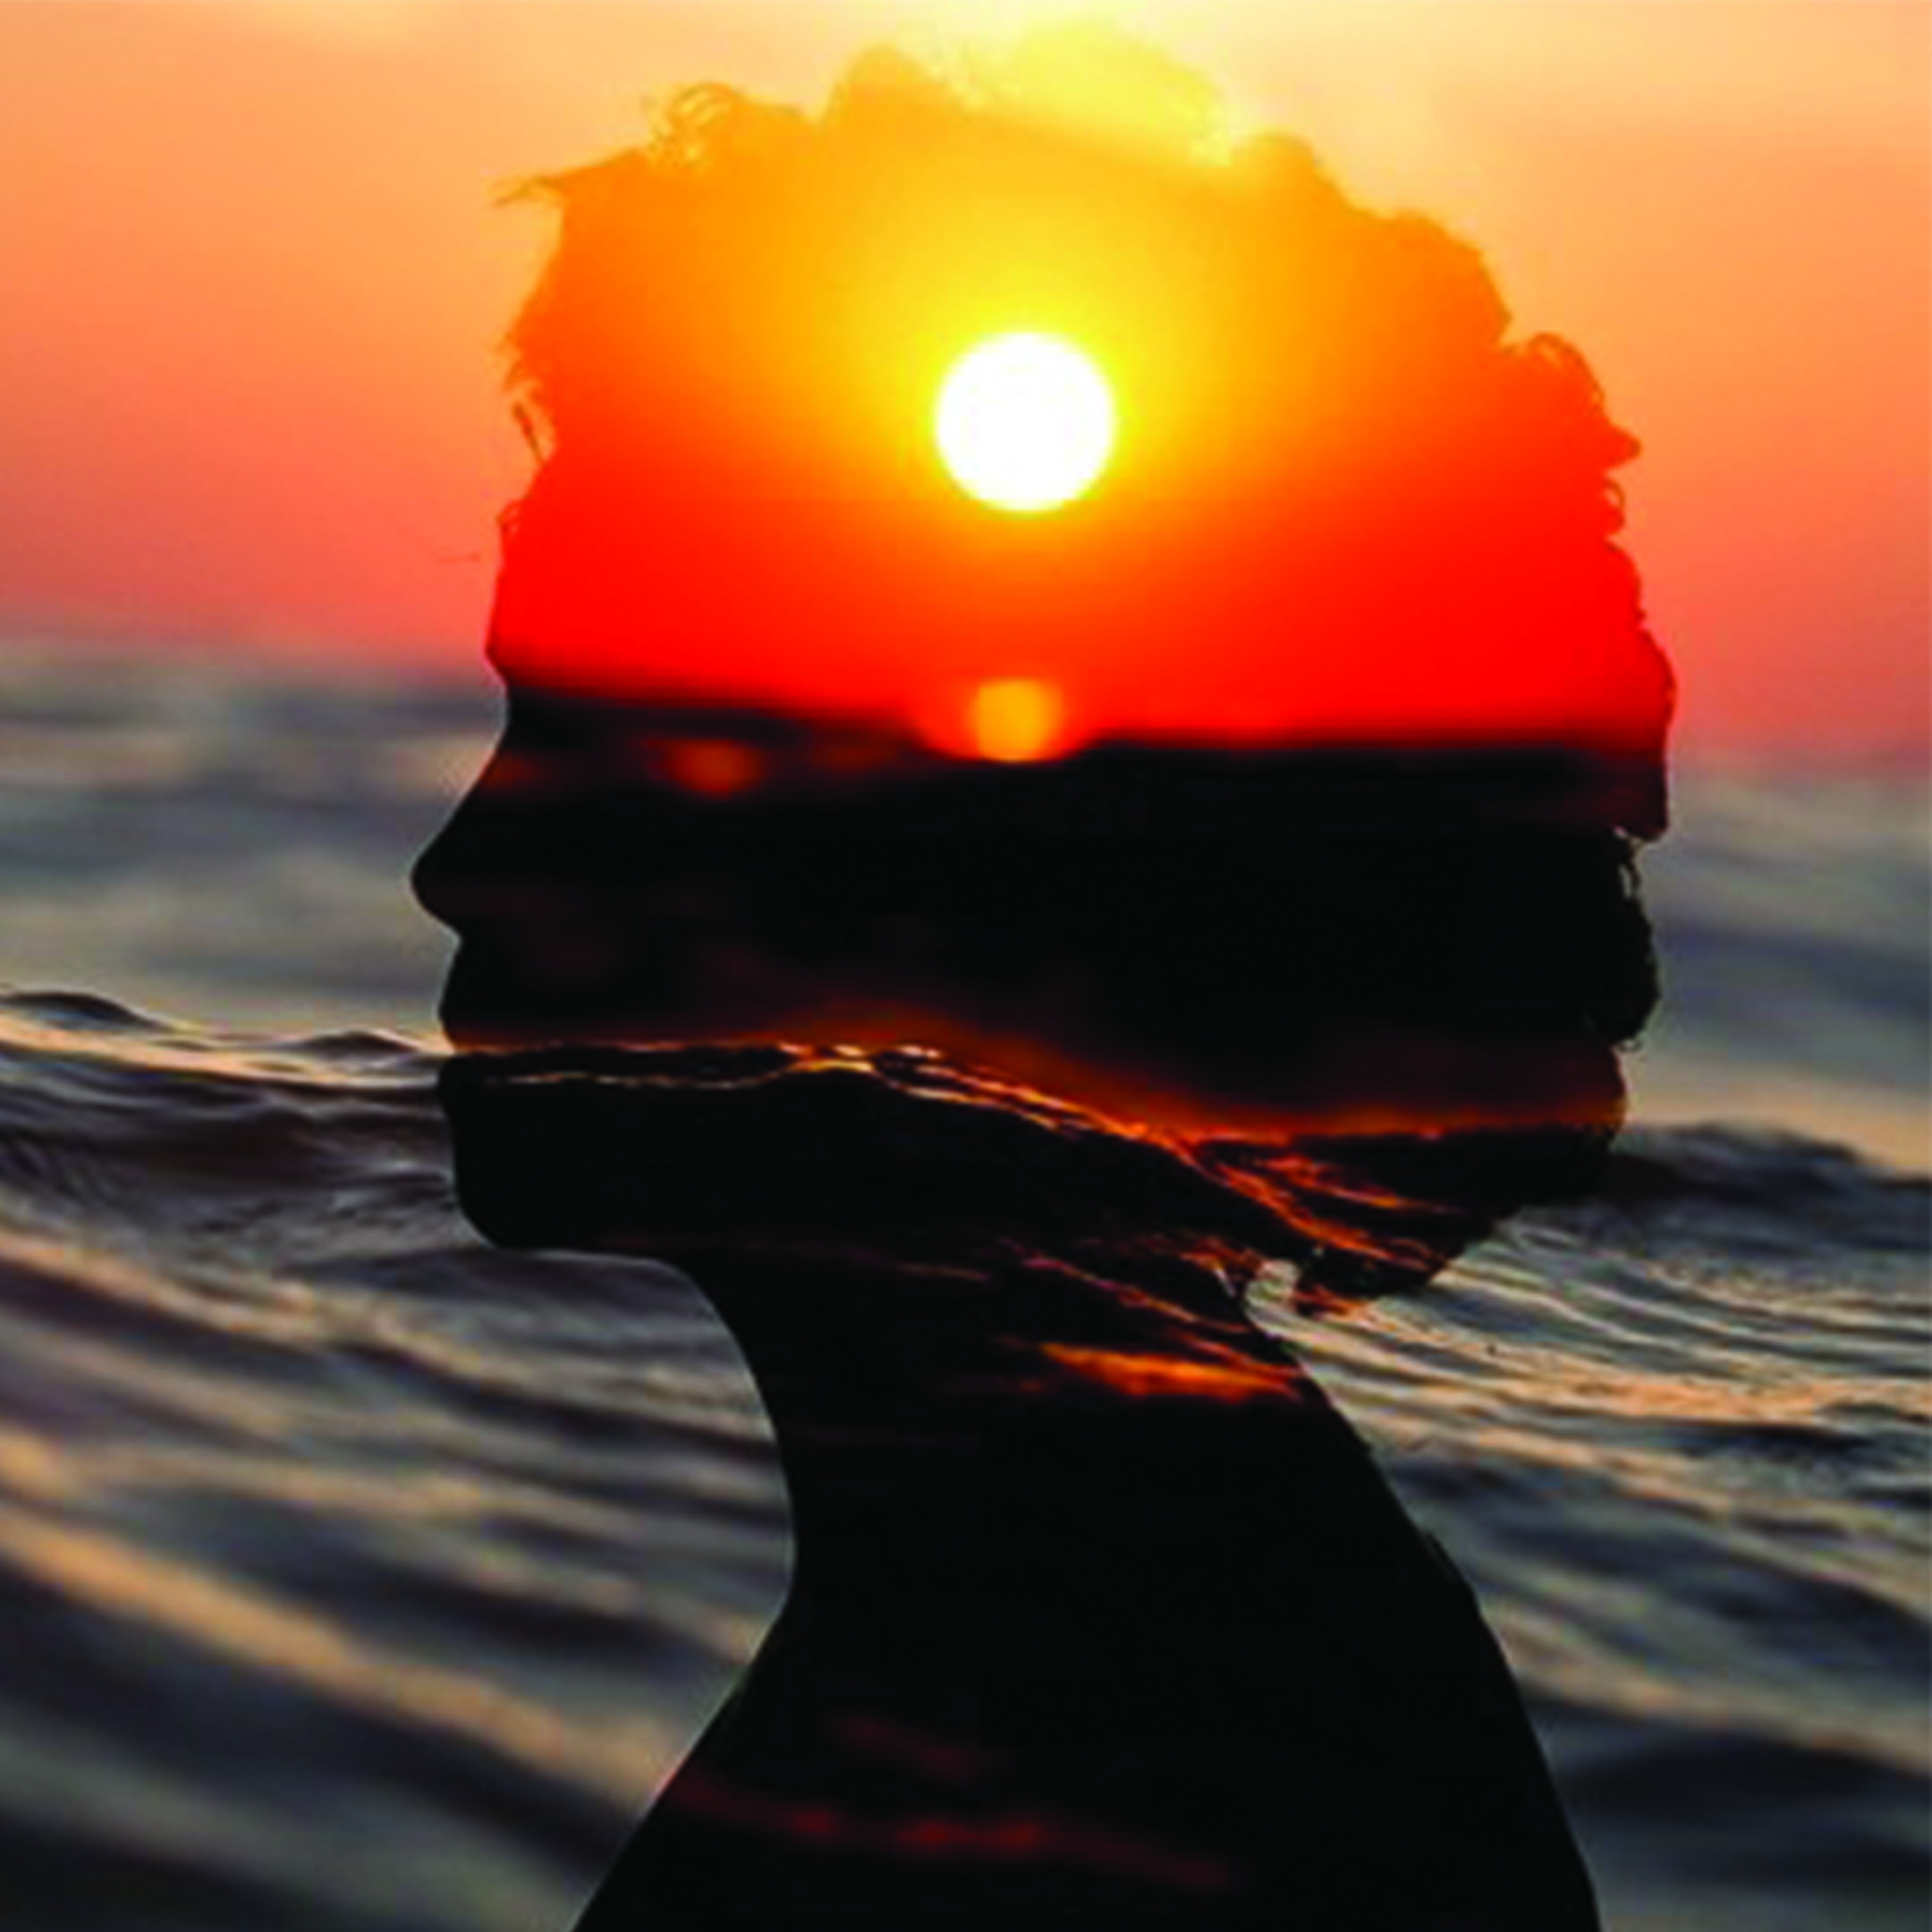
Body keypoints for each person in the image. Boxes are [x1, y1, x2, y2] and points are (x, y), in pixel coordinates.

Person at [413, 28, 1672, 1926]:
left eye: (589, 738)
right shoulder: (1103, 1599)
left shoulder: (1124, 1718)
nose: (455, 863)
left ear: (985, 881)